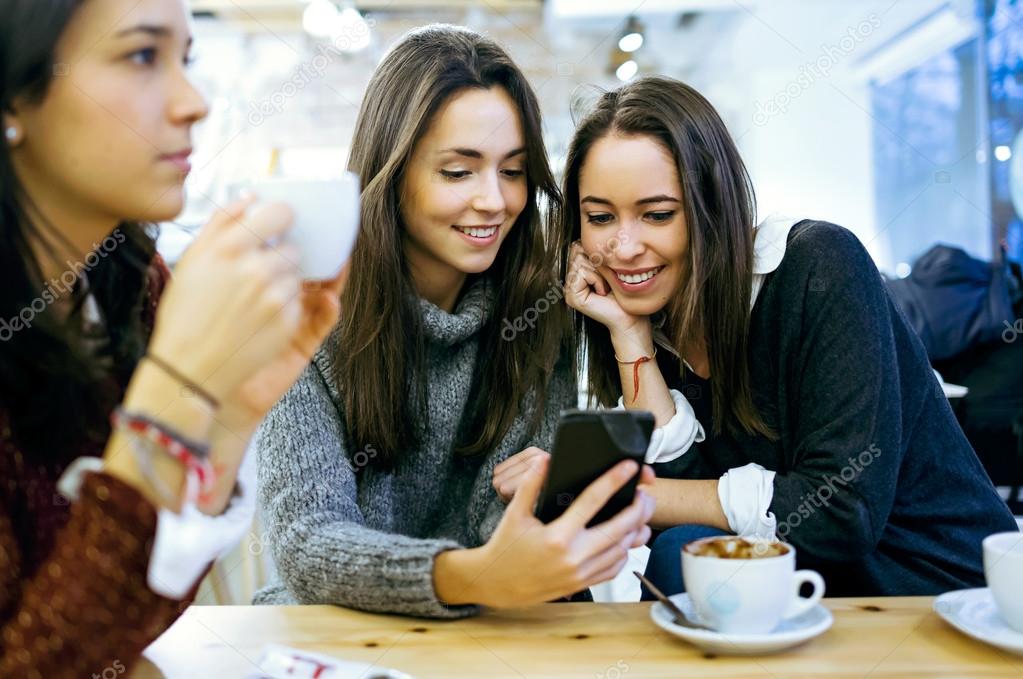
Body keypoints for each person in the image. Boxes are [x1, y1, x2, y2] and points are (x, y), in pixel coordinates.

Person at [507, 74, 1018, 599]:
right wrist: (628, 335)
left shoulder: (818, 265)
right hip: (810, 584)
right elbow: (690, 482)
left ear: (713, 206)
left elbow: (842, 513)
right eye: (599, 217)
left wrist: (614, 492)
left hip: (933, 588)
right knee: (678, 550)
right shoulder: (655, 310)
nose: (623, 246)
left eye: (657, 214)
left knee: (680, 553)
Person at [255, 24, 655, 618]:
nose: (494, 200)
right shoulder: (306, 311)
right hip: (331, 630)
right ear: (391, 175)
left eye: (513, 171)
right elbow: (308, 543)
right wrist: (473, 575)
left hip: (489, 625)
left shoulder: (539, 312)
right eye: (458, 171)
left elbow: (510, 520)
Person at [0, 0, 345, 675]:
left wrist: (231, 412)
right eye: (140, 55)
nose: (194, 102)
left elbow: (130, 608)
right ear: (14, 93)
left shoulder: (132, 284)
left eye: (183, 59)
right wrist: (173, 391)